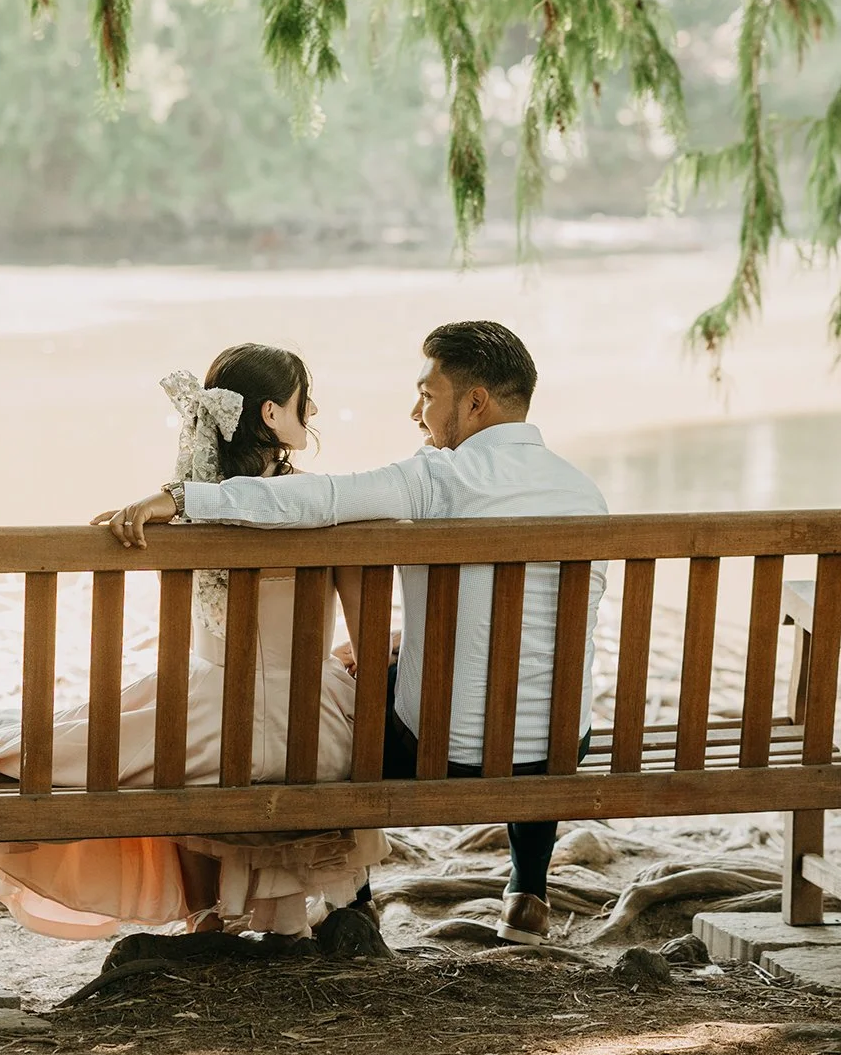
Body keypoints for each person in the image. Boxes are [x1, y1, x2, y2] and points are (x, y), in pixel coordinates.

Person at [110, 320, 608, 945]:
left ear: (474, 402)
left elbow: (313, 499)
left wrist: (182, 499)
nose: (415, 411)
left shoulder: (437, 480)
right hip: (561, 747)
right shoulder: (583, 493)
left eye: (427, 394)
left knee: (345, 705)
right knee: (534, 691)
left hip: (443, 749)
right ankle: (528, 893)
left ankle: (357, 903)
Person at [0, 344, 386, 943]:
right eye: (306, 398)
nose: (314, 410)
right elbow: (368, 646)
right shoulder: (332, 507)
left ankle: (207, 913)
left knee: (15, 745)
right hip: (323, 738)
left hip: (201, 738)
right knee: (285, 717)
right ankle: (349, 905)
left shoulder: (183, 511)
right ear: (273, 414)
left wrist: (172, 495)